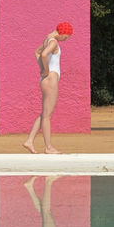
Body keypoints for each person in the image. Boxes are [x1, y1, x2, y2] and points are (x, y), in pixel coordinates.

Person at [22, 21, 72, 154]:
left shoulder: (47, 39)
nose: (66, 40)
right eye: (66, 37)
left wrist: (43, 70)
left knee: (44, 113)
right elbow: (43, 55)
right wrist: (46, 69)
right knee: (47, 116)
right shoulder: (54, 42)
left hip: (45, 80)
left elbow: (37, 53)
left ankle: (30, 141)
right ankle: (48, 147)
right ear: (62, 33)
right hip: (50, 80)